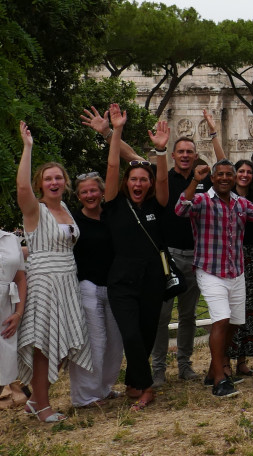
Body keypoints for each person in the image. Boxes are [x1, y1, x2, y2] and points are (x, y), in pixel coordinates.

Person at [175, 159, 253, 397]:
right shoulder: (201, 201)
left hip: (235, 270)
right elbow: (181, 208)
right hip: (210, 270)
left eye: (228, 175)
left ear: (233, 179)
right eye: (219, 174)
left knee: (234, 323)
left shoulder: (240, 203)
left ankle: (212, 371)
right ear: (212, 178)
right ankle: (221, 379)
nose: (224, 178)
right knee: (221, 320)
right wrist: (194, 181)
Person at [15, 121, 92, 423]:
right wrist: (28, 148)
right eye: (48, 178)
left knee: (63, 343)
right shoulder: (36, 210)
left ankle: (35, 401)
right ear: (41, 184)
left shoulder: (68, 211)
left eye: (59, 177)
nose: (54, 181)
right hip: (43, 282)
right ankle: (44, 407)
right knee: (44, 346)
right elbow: (21, 187)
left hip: (67, 281)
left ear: (66, 182)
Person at [102, 105, 172, 410]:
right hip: (122, 281)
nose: (139, 184)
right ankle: (146, 389)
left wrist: (160, 151)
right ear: (126, 183)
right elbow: (114, 166)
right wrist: (115, 131)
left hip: (153, 280)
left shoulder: (157, 204)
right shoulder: (113, 203)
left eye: (144, 179)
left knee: (144, 335)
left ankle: (133, 382)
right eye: (134, 180)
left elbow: (163, 183)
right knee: (130, 334)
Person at [68, 170, 123, 408]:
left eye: (93, 190)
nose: (90, 195)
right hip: (87, 286)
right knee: (93, 343)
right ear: (78, 196)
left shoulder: (112, 215)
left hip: (113, 286)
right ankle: (84, 397)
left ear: (102, 192)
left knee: (114, 342)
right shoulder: (72, 222)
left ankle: (104, 387)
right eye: (84, 192)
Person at [152, 133, 202, 385]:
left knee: (188, 314)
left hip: (195, 255)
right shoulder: (163, 178)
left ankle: (184, 364)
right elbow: (131, 156)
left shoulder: (203, 181)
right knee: (162, 315)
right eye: (180, 152)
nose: (184, 156)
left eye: (189, 152)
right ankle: (158, 367)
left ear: (195, 155)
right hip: (168, 256)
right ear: (173, 156)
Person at [229, 158, 253, 375]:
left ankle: (242, 361)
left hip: (251, 254)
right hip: (231, 256)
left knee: (250, 307)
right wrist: (214, 134)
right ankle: (226, 360)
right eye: (240, 171)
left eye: (248, 171)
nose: (244, 174)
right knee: (231, 308)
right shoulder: (225, 195)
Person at [0, 221, 27, 410]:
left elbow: (20, 278)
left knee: (4, 366)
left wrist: (18, 313)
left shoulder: (10, 239)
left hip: (6, 309)